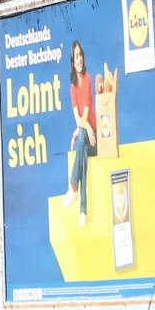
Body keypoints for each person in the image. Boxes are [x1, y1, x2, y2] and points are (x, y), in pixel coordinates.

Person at [62, 39, 97, 226]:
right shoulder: (72, 88)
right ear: (72, 61)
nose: (79, 59)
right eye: (76, 56)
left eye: (81, 55)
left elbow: (84, 115)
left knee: (83, 138)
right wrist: (83, 129)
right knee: (81, 149)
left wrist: (88, 129)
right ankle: (83, 210)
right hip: (87, 134)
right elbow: (78, 121)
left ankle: (73, 188)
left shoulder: (89, 78)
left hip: (95, 138)